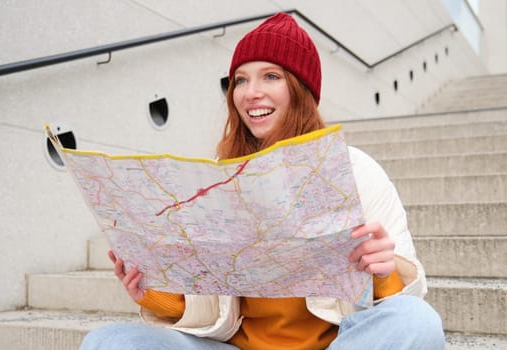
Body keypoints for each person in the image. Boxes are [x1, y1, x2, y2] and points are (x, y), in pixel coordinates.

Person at [80, 12, 445, 350]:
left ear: (300, 90)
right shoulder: (219, 179)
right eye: (241, 80)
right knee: (108, 342)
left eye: (271, 76)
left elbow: (402, 304)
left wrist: (385, 272)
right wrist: (152, 292)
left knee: (417, 322)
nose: (250, 92)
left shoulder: (357, 171)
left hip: (336, 345)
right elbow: (212, 313)